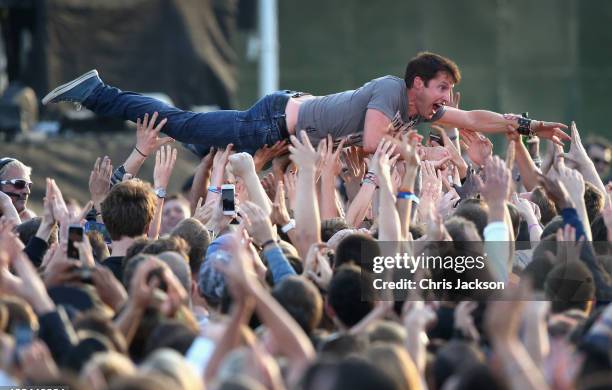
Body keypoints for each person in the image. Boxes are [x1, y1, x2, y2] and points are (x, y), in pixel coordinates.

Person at [42, 52, 570, 157]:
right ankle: (98, 93)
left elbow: (476, 119)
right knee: (179, 125)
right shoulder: (391, 92)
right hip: (269, 124)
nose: (448, 102)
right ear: (417, 83)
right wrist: (417, 154)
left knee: (198, 140)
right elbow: (368, 144)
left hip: (285, 117)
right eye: (441, 90)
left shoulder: (417, 109)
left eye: (448, 93)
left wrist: (530, 125)